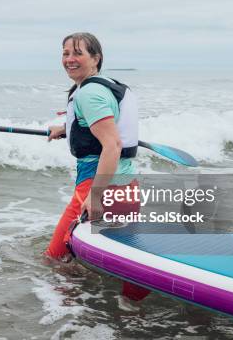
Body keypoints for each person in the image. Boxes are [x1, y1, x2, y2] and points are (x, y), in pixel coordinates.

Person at [45, 32, 150, 301]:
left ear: (96, 58)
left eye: (77, 53)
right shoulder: (105, 86)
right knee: (127, 256)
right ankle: (133, 313)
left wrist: (96, 194)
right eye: (65, 53)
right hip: (126, 186)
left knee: (56, 258)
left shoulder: (89, 94)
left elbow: (112, 145)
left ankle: (68, 314)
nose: (69, 59)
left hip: (98, 184)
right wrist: (67, 128)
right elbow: (105, 127)